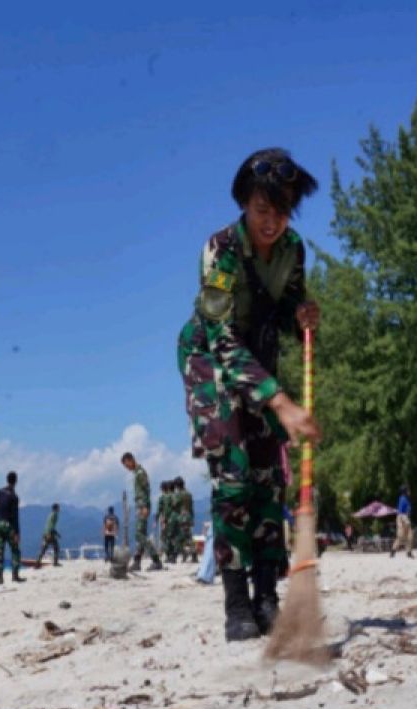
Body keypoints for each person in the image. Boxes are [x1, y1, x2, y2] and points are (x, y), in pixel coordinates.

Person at [176, 147, 322, 641]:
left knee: (267, 477)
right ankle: (236, 603)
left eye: (281, 211)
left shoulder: (293, 250)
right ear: (244, 204)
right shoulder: (219, 250)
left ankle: (267, 597)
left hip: (259, 359)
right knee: (234, 478)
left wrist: (301, 315)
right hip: (212, 363)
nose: (272, 222)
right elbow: (220, 339)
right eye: (263, 210)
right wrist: (279, 402)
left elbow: (284, 310)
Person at [121, 453, 163, 571]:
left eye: (126, 465)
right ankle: (137, 561)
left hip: (142, 506)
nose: (127, 468)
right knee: (142, 534)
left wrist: (145, 506)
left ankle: (156, 560)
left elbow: (146, 490)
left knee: (139, 534)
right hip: (140, 505)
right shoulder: (137, 473)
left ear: (131, 460)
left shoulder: (140, 473)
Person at [0, 471, 25, 584]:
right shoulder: (14, 497)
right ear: (16, 481)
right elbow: (15, 516)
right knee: (15, 550)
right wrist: (17, 533)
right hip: (8, 525)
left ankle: (0, 576)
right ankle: (15, 575)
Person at [390, 485, 415, 559]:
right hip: (402, 518)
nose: (409, 491)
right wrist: (405, 521)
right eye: (408, 490)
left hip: (405, 517)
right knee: (401, 536)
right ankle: (393, 551)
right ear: (405, 491)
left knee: (410, 536)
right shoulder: (402, 499)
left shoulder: (406, 499)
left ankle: (409, 552)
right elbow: (400, 512)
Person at [177, 477, 198, 563]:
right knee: (188, 537)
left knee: (180, 538)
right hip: (188, 517)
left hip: (182, 517)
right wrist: (192, 518)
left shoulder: (178, 495)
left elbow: (175, 506)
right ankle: (193, 555)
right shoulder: (189, 494)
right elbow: (191, 507)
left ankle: (185, 554)